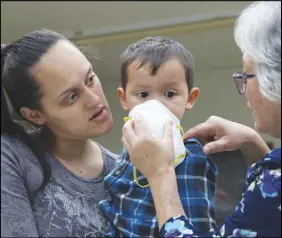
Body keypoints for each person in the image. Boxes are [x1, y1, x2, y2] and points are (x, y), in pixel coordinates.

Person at [121, 1, 281, 237]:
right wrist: (256, 146)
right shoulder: (122, 164)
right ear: (123, 98)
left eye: (247, 76)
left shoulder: (197, 160)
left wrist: (160, 175)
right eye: (143, 94)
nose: (244, 88)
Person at [1, 30, 118, 237]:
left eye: (90, 79)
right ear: (35, 115)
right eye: (72, 97)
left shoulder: (125, 170)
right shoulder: (12, 157)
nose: (94, 100)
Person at [99, 36, 218, 237]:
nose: (157, 105)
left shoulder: (193, 158)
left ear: (190, 98)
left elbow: (201, 226)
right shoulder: (126, 153)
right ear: (124, 98)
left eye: (170, 94)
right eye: (143, 95)